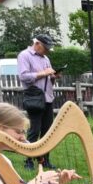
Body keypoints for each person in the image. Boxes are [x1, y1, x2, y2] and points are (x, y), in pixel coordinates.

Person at [17, 33, 58, 169]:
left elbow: (49, 78)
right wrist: (44, 73)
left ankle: (45, 160)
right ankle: (28, 161)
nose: (47, 51)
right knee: (34, 131)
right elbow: (24, 77)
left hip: (48, 98)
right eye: (46, 48)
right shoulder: (24, 55)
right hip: (34, 98)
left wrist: (53, 76)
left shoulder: (46, 58)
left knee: (47, 131)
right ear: (37, 44)